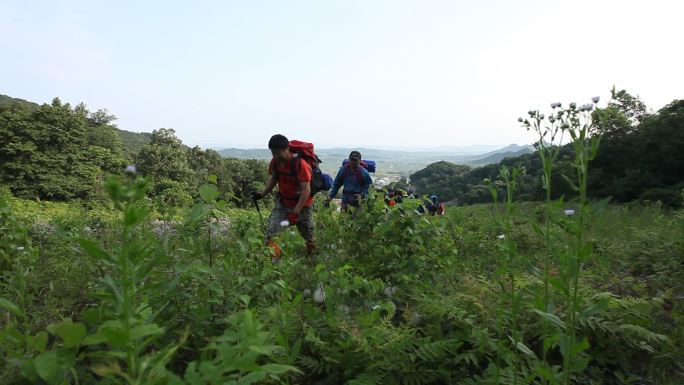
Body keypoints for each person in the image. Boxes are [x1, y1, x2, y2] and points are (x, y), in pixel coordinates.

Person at [252, 134, 316, 256]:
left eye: (277, 153)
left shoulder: (301, 164)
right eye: (273, 153)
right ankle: (273, 261)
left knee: (307, 235)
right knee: (273, 232)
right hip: (283, 205)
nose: (275, 156)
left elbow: (306, 191)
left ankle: (312, 256)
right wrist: (262, 194)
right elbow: (274, 178)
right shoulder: (275, 162)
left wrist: (295, 212)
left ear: (287, 149)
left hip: (302, 208)